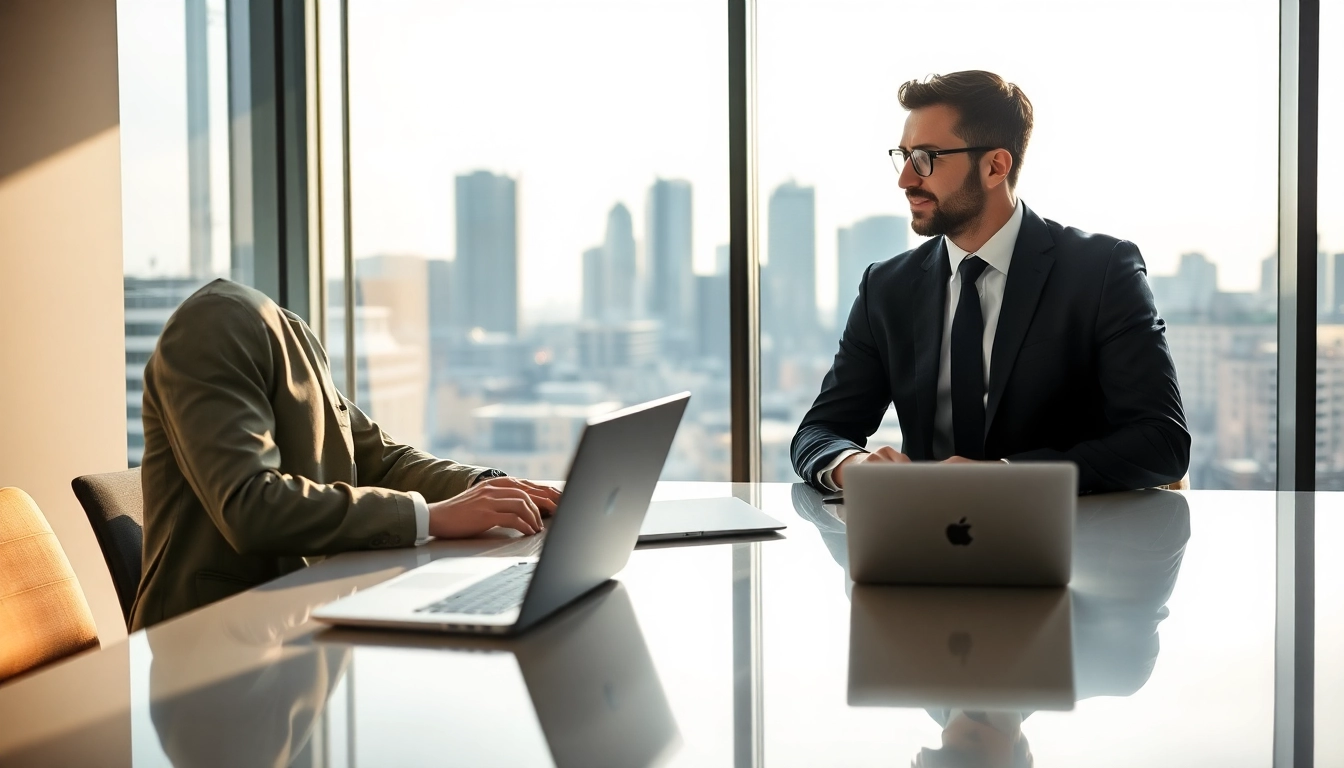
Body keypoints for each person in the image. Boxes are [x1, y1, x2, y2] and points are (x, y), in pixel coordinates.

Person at [792, 70, 1189, 494]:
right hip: (921, 546)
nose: (905, 179)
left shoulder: (1102, 270)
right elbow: (818, 432)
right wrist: (851, 465)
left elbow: (1161, 440)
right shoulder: (886, 287)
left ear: (995, 166)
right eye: (903, 155)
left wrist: (1002, 476)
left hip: (1071, 543)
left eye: (925, 157)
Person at [130, 279, 560, 630]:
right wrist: (431, 516)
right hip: (207, 641)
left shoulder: (292, 336)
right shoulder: (216, 324)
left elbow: (383, 459)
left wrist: (485, 488)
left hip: (295, 618)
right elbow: (249, 503)